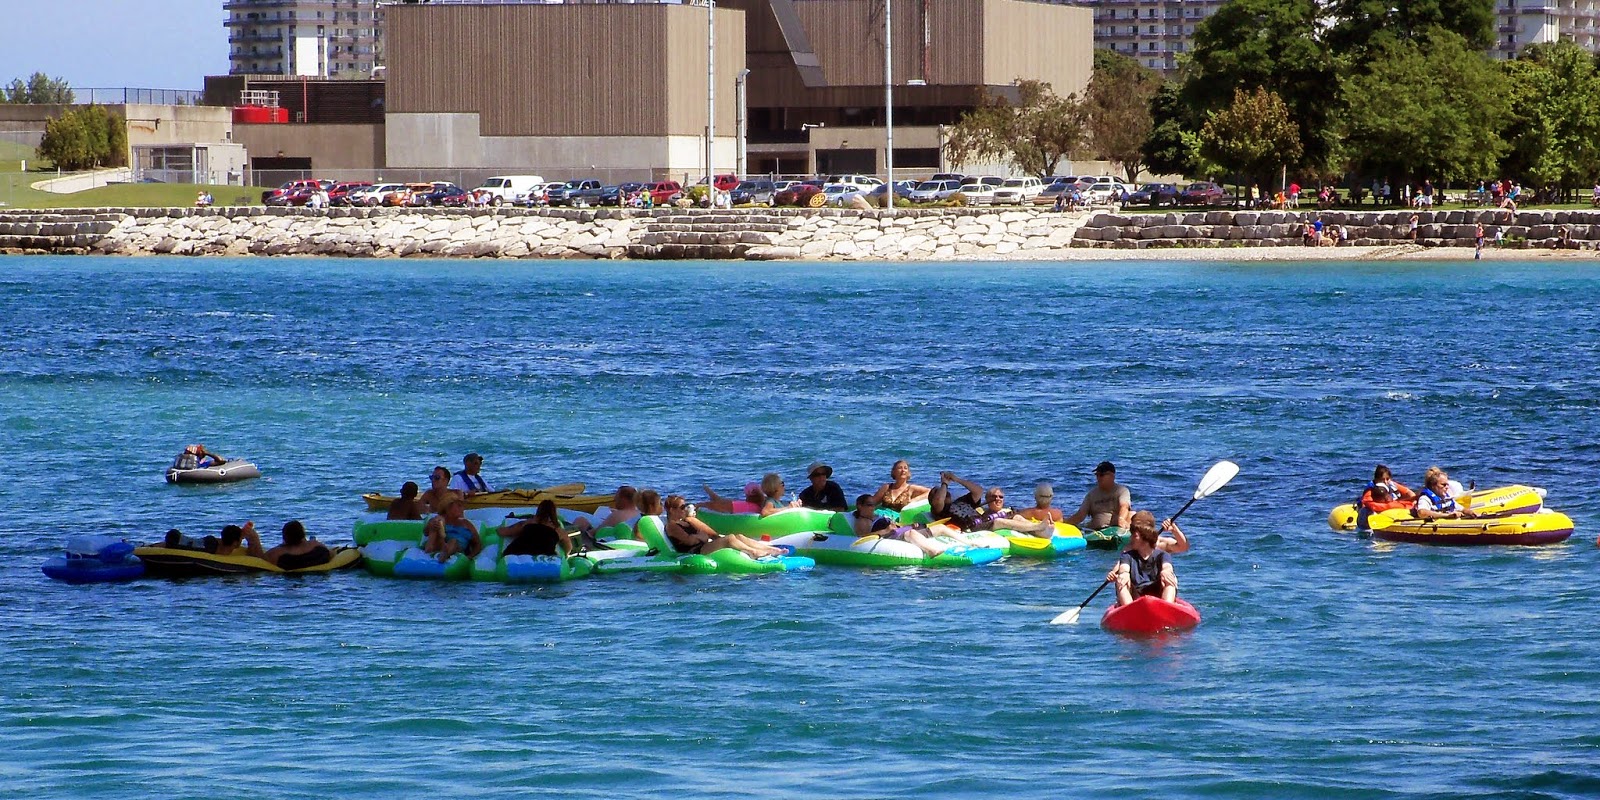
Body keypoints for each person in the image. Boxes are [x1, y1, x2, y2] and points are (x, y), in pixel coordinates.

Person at [662, 494, 785, 559]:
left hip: (702, 545)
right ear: (672, 510)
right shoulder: (672, 526)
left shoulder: (686, 521)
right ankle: (754, 552)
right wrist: (700, 536)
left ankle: (769, 549)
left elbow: (705, 535)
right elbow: (689, 541)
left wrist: (699, 533)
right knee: (729, 539)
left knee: (738, 536)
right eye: (682, 507)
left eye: (686, 506)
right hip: (696, 551)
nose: (685, 509)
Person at [1105, 511, 1187, 606]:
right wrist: (1114, 573)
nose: (1131, 536)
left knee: (1170, 575)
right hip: (1136, 588)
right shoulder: (1130, 547)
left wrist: (1174, 530)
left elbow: (1183, 547)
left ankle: (1166, 607)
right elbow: (1122, 563)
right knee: (1122, 577)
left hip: (1157, 584)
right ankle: (1129, 608)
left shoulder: (1162, 545)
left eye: (1134, 532)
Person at [1064, 461, 1132, 534]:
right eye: (1097, 475)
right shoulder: (1091, 494)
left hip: (1116, 528)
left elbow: (1124, 506)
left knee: (1132, 514)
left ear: (1112, 476)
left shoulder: (1122, 490)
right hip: (1096, 530)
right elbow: (1080, 515)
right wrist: (1064, 523)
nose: (1099, 478)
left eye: (1102, 475)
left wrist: (1121, 519)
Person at [499, 499, 573, 557]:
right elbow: (568, 548)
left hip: (516, 553)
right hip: (544, 559)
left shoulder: (529, 523)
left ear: (539, 511)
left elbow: (504, 532)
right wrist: (565, 556)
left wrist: (497, 529)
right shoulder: (558, 530)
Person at [573, 485, 640, 534]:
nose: (615, 500)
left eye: (616, 499)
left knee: (580, 520)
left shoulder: (617, 515)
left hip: (604, 543)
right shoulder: (639, 514)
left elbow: (596, 533)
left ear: (623, 499)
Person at [265, 520, 331, 569]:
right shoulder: (316, 545)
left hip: (291, 568)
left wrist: (282, 545)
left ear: (285, 537)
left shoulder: (277, 553)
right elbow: (330, 553)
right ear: (303, 534)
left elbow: (263, 560)